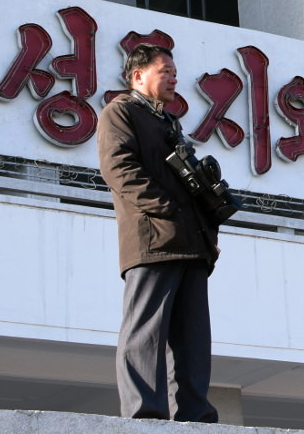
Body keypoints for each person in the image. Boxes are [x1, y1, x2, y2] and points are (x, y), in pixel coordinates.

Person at [97, 44, 219, 422]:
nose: (173, 78)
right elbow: (119, 170)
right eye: (164, 70)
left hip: (192, 243)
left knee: (193, 339)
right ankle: (144, 415)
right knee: (145, 331)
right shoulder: (119, 112)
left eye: (173, 71)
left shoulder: (170, 123)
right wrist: (168, 210)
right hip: (153, 240)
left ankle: (195, 416)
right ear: (137, 76)